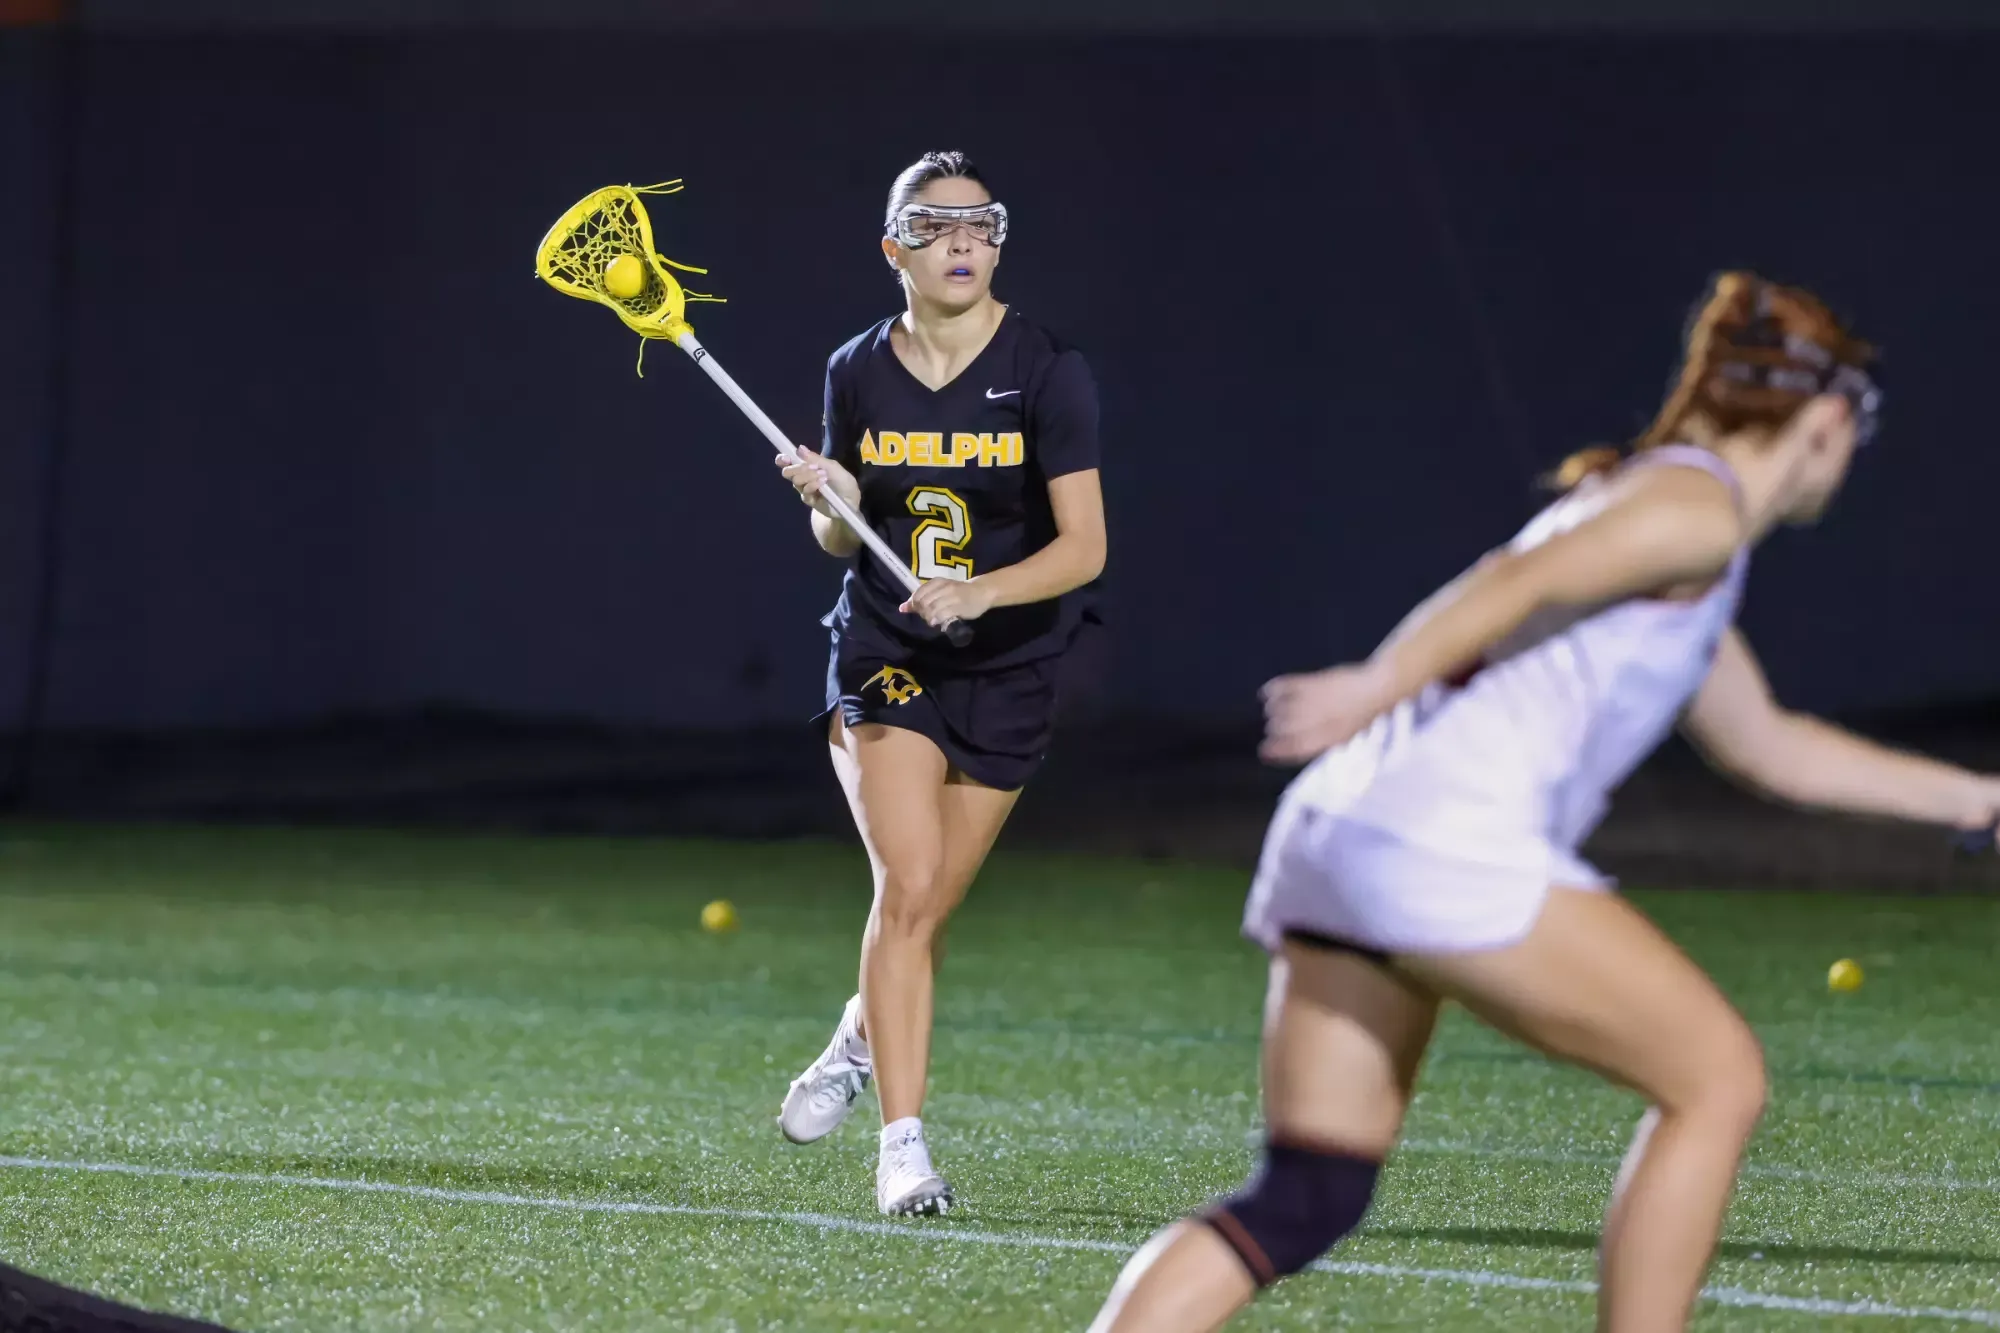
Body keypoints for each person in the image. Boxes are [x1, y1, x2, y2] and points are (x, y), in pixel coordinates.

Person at [1087, 272, 2000, 1332]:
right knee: (1716, 1081)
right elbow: (1508, 583)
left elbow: (1770, 748)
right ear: (1827, 420)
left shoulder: (1672, 526)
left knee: (1305, 1197)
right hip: (1440, 845)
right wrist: (1373, 680)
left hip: (1342, 833)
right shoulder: (1690, 510)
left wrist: (1977, 796)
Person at [771, 150, 1107, 1216]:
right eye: (933, 226)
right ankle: (901, 1150)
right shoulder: (854, 370)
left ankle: (852, 1036)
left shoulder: (1049, 370)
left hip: (1009, 664)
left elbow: (1085, 549)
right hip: (886, 652)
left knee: (928, 906)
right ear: (893, 250)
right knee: (908, 888)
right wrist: (825, 495)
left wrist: (983, 592)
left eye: (979, 224)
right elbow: (840, 539)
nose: (961, 242)